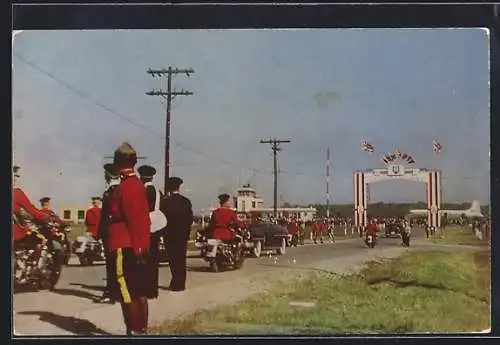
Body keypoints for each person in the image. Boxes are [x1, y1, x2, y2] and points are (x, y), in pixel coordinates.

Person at [106, 142, 153, 335]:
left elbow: (136, 220)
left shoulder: (128, 186)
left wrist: (139, 248)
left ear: (118, 163)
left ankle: (134, 330)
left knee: (128, 293)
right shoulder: (133, 184)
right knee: (137, 291)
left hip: (124, 244)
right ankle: (139, 329)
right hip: (132, 244)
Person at [160, 177, 194, 292]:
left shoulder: (165, 202)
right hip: (182, 235)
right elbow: (190, 219)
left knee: (172, 259)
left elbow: (162, 220)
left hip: (170, 234)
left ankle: (175, 281)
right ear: (179, 187)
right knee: (181, 258)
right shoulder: (186, 201)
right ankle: (180, 283)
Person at [96, 163, 121, 304]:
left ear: (108, 176)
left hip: (111, 233)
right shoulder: (114, 190)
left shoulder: (112, 191)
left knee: (112, 263)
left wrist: (101, 233)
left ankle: (111, 292)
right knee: (114, 263)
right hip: (113, 232)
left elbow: (107, 215)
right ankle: (114, 291)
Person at [137, 164, 163, 298]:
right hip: (156, 226)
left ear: (142, 177)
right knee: (153, 259)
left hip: (146, 226)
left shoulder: (144, 191)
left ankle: (146, 289)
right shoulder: (158, 192)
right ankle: (153, 290)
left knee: (145, 259)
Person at [12, 166, 53, 243]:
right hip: (17, 232)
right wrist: (48, 217)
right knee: (41, 242)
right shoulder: (16, 193)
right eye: (14, 175)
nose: (15, 179)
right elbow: (31, 210)